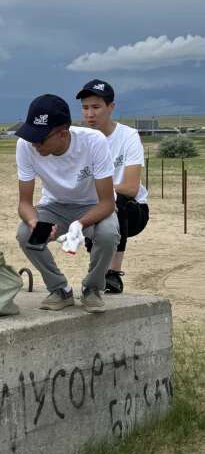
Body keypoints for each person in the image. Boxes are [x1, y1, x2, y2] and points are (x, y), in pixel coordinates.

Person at [15, 94, 120, 313]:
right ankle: (60, 289)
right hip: (54, 206)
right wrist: (35, 222)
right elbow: (24, 203)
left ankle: (92, 288)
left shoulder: (93, 142)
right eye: (30, 135)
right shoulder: (25, 146)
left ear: (62, 133)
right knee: (26, 234)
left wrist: (79, 224)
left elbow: (108, 203)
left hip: (93, 207)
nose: (34, 144)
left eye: (40, 138)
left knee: (108, 234)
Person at [76, 79, 149, 294]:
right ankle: (97, 272)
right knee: (94, 205)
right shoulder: (79, 139)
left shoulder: (128, 136)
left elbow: (131, 187)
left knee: (119, 200)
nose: (90, 114)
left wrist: (105, 191)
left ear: (111, 107)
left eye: (96, 107)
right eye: (85, 107)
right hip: (95, 204)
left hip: (133, 212)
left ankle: (113, 274)